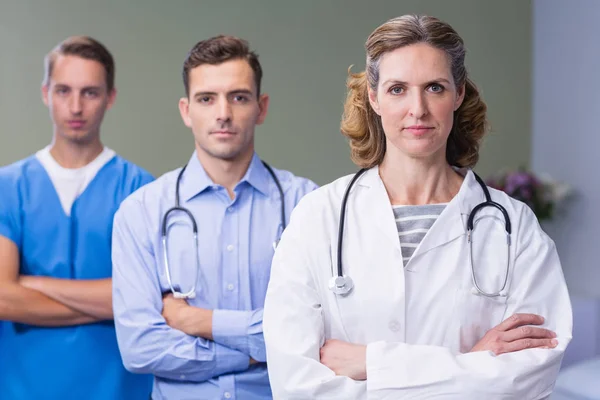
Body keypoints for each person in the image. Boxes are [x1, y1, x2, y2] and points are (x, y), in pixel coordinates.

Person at [263, 14, 572, 399]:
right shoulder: (318, 218)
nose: (418, 109)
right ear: (373, 98)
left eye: (435, 88)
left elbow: (528, 379)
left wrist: (371, 364)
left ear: (458, 95)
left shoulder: (514, 226)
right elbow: (297, 386)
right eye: (397, 89)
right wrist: (474, 361)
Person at [111, 35, 318, 400]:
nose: (223, 113)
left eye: (238, 97)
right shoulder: (142, 211)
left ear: (261, 107)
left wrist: (198, 322)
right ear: (186, 110)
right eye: (207, 99)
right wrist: (256, 352)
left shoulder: (306, 204)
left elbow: (318, 331)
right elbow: (140, 347)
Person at [0, 36, 154, 399]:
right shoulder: (8, 187)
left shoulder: (141, 191)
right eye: (63, 90)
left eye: (90, 92)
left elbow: (144, 301)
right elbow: (3, 299)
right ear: (45, 93)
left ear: (110, 97)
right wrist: (110, 302)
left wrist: (31, 284)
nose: (75, 106)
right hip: (21, 387)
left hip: (117, 388)